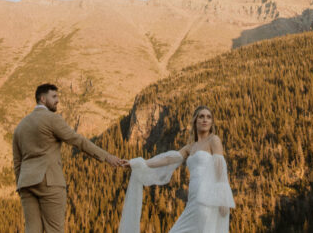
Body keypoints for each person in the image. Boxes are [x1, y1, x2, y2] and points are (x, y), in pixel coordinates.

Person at [13, 83, 128, 233]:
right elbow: (78, 141)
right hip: (49, 181)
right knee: (54, 230)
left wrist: (20, 184)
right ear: (42, 98)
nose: (57, 100)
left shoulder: (20, 126)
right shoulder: (51, 119)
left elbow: (17, 162)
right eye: (53, 96)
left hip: (26, 183)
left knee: (32, 230)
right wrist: (107, 157)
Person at [118, 105, 235, 233]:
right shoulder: (190, 147)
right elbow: (168, 159)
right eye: (201, 116)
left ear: (212, 122)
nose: (205, 120)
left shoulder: (214, 140)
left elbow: (220, 167)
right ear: (195, 121)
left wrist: (223, 198)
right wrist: (140, 163)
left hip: (208, 198)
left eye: (208, 117)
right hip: (193, 199)